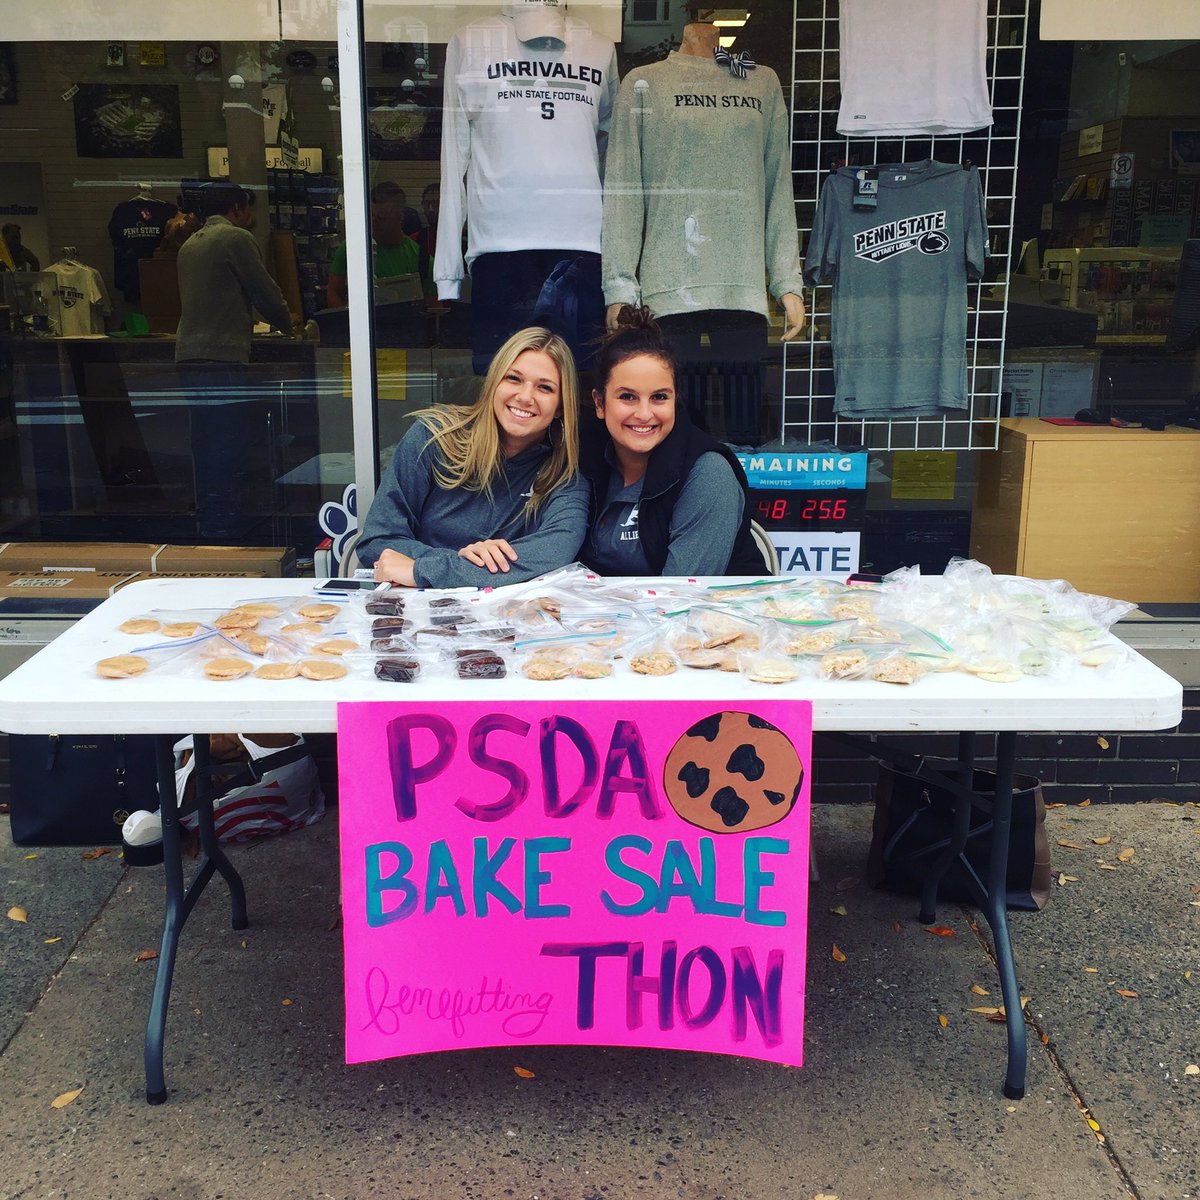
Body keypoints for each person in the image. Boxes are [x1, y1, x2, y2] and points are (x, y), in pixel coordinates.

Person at [358, 326, 588, 587]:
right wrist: (456, 561)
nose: (525, 397)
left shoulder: (563, 478)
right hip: (416, 611)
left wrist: (423, 569)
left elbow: (553, 553)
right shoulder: (433, 438)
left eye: (544, 388)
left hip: (508, 618)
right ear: (493, 383)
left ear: (560, 406)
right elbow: (377, 541)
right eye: (513, 378)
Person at [580, 305, 763, 577]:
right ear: (599, 403)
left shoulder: (708, 474)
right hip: (600, 616)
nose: (644, 414)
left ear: (676, 401)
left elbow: (681, 598)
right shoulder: (586, 458)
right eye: (627, 397)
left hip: (704, 615)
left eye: (659, 397)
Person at [175, 182, 295, 540]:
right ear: (238, 208)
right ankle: (226, 524)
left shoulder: (190, 243)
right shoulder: (235, 239)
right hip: (221, 354)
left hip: (188, 354)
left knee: (204, 440)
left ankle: (210, 517)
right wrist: (290, 325)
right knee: (226, 439)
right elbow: (264, 291)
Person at [325, 181, 432, 307]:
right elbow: (333, 292)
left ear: (400, 216)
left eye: (381, 218)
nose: (373, 223)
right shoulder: (352, 249)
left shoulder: (422, 259)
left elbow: (433, 309)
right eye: (371, 217)